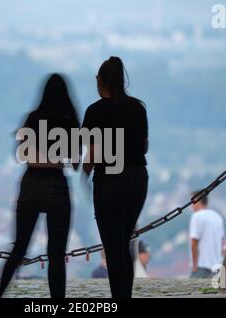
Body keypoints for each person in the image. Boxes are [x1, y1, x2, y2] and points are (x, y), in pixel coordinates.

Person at [0, 74, 80, 298]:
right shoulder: (69, 121)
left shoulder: (32, 118)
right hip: (56, 184)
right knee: (56, 254)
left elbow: (21, 154)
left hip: (31, 183)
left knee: (19, 248)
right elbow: (75, 163)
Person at [82, 57, 149, 298]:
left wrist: (84, 173)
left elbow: (92, 153)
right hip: (137, 180)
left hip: (109, 182)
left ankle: (117, 299)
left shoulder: (95, 111)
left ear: (101, 81)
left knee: (113, 248)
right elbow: (144, 147)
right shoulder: (138, 108)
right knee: (124, 245)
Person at [189, 191, 225, 279]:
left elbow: (194, 243)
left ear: (197, 201)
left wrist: (194, 265)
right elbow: (222, 242)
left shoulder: (197, 216)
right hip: (217, 265)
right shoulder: (217, 216)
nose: (191, 205)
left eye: (192, 202)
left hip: (202, 265)